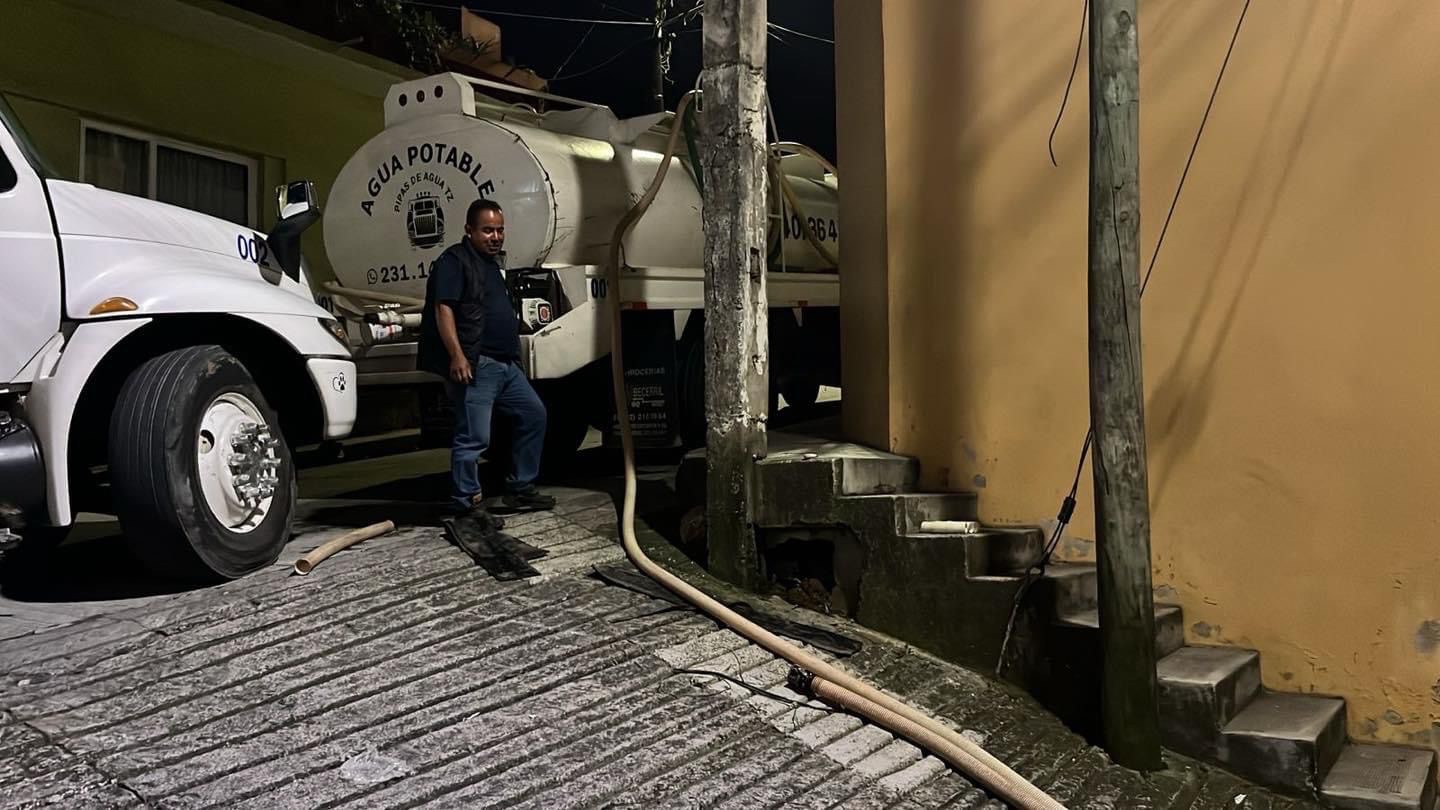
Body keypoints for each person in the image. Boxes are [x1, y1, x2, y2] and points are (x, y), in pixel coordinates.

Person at [418, 198, 556, 516]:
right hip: (478, 364)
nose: (495, 237)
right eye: (487, 230)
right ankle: (465, 503)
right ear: (469, 230)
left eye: (500, 230)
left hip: (505, 365)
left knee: (534, 414)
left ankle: (520, 487)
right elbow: (444, 309)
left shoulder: (491, 265)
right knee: (473, 437)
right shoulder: (454, 261)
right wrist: (457, 356)